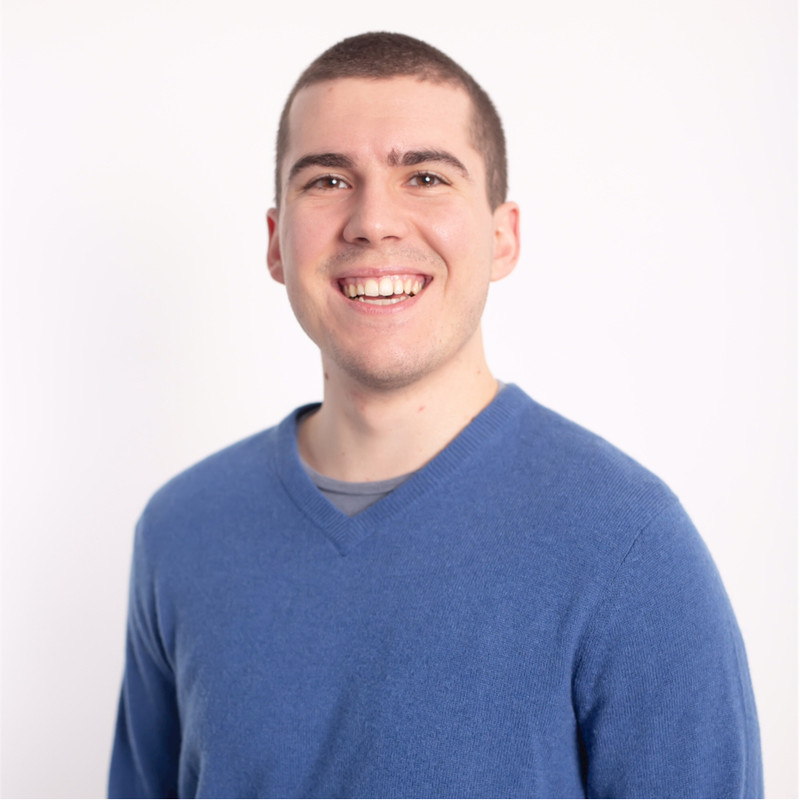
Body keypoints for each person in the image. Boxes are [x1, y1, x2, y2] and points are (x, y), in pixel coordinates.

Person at [109, 32, 762, 799]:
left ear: (502, 237)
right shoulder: (182, 530)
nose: (373, 221)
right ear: (278, 242)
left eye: (424, 176)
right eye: (327, 180)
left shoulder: (629, 543)